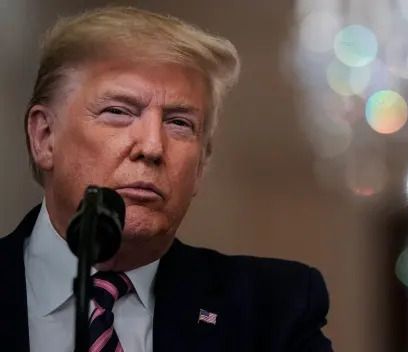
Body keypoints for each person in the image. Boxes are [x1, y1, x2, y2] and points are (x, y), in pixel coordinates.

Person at [0, 6, 332, 352]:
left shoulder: (274, 310)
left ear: (201, 165)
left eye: (179, 123)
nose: (153, 147)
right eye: (118, 111)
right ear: (44, 137)